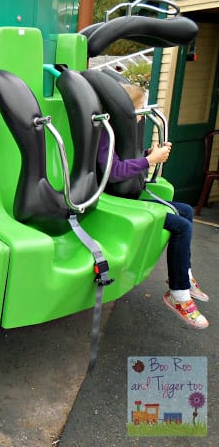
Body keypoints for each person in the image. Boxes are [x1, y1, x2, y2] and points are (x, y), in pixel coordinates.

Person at [97, 82, 209, 329]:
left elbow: (125, 158)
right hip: (112, 200)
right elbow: (113, 171)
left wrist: (149, 152)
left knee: (186, 210)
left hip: (127, 194)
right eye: (137, 112)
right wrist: (149, 160)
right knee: (180, 226)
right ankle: (178, 294)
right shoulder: (104, 131)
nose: (139, 119)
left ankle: (183, 275)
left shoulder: (121, 130)